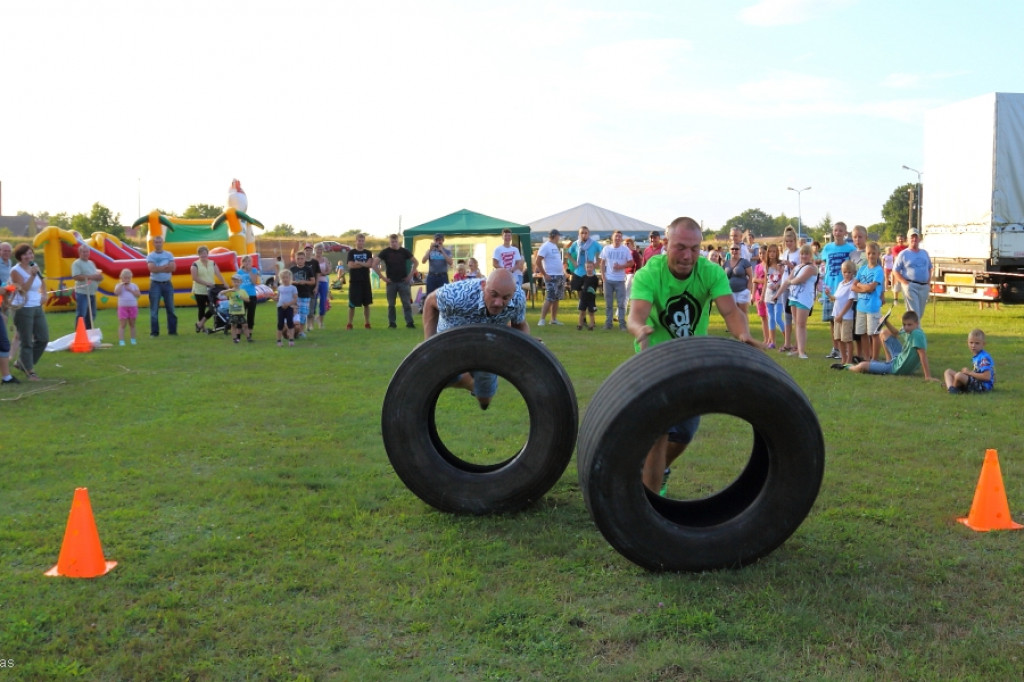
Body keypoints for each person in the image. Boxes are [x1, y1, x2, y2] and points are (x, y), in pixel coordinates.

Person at [628, 217, 760, 494]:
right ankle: (647, 508)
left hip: (691, 363)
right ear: (666, 245)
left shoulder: (711, 272)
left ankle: (658, 469)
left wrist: (742, 335)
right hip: (655, 361)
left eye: (694, 248)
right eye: (680, 247)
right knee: (659, 434)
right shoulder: (648, 274)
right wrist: (640, 329)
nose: (688, 256)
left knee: (685, 433)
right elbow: (636, 315)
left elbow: (730, 312)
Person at [421, 269, 529, 410]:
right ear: (484, 285)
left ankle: (475, 385)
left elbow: (519, 324)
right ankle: (465, 380)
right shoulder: (458, 295)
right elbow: (430, 301)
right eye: (494, 294)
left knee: (485, 398)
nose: (498, 303)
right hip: (450, 343)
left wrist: (529, 348)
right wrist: (429, 345)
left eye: (505, 298)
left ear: (512, 294)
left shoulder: (518, 299)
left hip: (486, 346)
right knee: (441, 377)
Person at [845, 310, 937, 381]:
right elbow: (896, 333)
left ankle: (847, 366)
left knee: (862, 366)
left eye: (909, 325)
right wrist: (886, 322)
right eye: (904, 325)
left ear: (917, 324)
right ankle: (888, 360)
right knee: (884, 332)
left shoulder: (917, 334)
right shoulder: (912, 331)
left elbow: (922, 355)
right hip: (898, 358)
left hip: (896, 368)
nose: (906, 327)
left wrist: (927, 376)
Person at [9, 244, 49, 380]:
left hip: (37, 306)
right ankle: (30, 370)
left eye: (30, 253)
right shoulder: (15, 271)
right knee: (26, 341)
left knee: (43, 338)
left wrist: (44, 294)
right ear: (19, 257)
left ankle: (22, 363)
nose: (29, 256)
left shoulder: (34, 265)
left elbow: (42, 280)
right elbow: (23, 289)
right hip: (23, 308)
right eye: (25, 254)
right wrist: (31, 276)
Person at [820, 222, 855, 359]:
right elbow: (824, 265)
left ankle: (846, 350)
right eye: (835, 230)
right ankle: (836, 348)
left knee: (844, 319)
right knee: (832, 319)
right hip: (830, 287)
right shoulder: (827, 248)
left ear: (845, 233)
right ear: (832, 232)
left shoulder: (850, 248)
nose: (838, 233)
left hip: (845, 289)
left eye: (841, 231)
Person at [778, 244, 818, 359]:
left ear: (810, 255)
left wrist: (790, 282)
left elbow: (798, 280)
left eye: (806, 254)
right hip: (794, 297)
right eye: (802, 254)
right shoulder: (797, 267)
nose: (804, 256)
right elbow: (787, 280)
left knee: (801, 324)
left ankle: (801, 351)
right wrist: (777, 295)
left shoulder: (811, 268)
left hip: (804, 299)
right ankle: (797, 349)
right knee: (797, 324)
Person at [375, 234, 416, 329]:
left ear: (399, 241)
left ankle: (409, 322)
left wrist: (410, 275)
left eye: (395, 241)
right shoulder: (385, 252)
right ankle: (392, 323)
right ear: (389, 242)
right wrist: (382, 277)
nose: (394, 244)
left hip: (403, 281)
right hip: (391, 282)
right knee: (391, 304)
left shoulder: (404, 251)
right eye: (392, 242)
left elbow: (416, 262)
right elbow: (374, 264)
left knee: (406, 303)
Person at [853, 242, 885, 361]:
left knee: (874, 334)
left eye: (873, 253)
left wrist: (861, 286)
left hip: (872, 307)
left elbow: (872, 288)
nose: (871, 256)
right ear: (865, 254)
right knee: (863, 333)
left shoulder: (878, 270)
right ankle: (866, 357)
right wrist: (864, 286)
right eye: (868, 253)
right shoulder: (862, 269)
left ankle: (874, 359)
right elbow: (853, 286)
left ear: (878, 254)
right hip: (861, 306)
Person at [892, 228, 932, 319]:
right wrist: (905, 283)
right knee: (914, 313)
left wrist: (928, 283)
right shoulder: (903, 254)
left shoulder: (924, 253)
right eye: (912, 237)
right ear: (908, 239)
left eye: (916, 237)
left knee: (919, 314)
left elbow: (929, 268)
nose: (914, 239)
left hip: (923, 287)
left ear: (919, 239)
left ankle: (907, 330)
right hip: (911, 286)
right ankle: (916, 332)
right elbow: (895, 270)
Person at [824, 260, 857, 366]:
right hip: (836, 314)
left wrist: (841, 315)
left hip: (846, 316)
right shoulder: (841, 284)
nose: (846, 274)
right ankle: (843, 358)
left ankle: (849, 360)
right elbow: (836, 298)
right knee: (838, 338)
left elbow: (850, 301)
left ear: (853, 272)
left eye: (849, 272)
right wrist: (829, 295)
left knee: (847, 339)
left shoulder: (853, 284)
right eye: (844, 272)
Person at [944, 329, 995, 395]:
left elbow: (986, 377)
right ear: (967, 343)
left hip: (983, 386)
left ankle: (953, 389)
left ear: (983, 344)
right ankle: (952, 388)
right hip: (976, 381)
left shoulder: (984, 358)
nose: (973, 345)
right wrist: (968, 373)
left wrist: (969, 373)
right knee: (948, 371)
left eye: (977, 343)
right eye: (971, 342)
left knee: (959, 375)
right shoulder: (977, 356)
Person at [191, 245, 227, 333]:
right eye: (201, 254)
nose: (203, 255)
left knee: (213, 307)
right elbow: (194, 278)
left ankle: (200, 323)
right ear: (199, 255)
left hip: (211, 290)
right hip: (199, 290)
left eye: (205, 253)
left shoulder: (212, 263)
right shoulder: (195, 264)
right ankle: (202, 327)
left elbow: (218, 274)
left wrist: (225, 283)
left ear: (207, 254)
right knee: (201, 308)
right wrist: (206, 283)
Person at [147, 235, 177, 337]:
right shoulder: (150, 256)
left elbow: (173, 268)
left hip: (167, 283)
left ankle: (172, 331)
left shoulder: (169, 254)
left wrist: (158, 268)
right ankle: (154, 332)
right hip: (155, 284)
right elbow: (152, 269)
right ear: (153, 243)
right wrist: (164, 267)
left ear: (162, 243)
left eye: (160, 242)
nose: (158, 244)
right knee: (154, 309)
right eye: (156, 242)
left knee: (171, 308)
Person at [600, 230, 631, 330]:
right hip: (608, 280)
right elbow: (602, 263)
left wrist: (621, 266)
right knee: (608, 304)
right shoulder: (606, 249)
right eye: (616, 236)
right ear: (612, 238)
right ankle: (608, 323)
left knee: (621, 303)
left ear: (621, 239)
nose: (617, 238)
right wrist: (603, 276)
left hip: (620, 280)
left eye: (619, 237)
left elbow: (631, 262)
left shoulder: (625, 250)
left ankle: (622, 324)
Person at [535, 229, 565, 326]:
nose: (559, 238)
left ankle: (553, 319)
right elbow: (538, 261)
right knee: (550, 298)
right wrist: (544, 274)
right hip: (551, 275)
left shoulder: (554, 246)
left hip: (559, 275)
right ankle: (542, 319)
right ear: (554, 236)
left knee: (556, 298)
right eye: (558, 236)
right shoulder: (545, 246)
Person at [346, 233, 376, 330]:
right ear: (356, 241)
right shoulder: (351, 253)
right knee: (352, 304)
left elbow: (369, 265)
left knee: (366, 304)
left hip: (365, 281)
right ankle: (349, 323)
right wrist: (363, 264)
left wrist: (358, 263)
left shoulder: (368, 252)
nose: (361, 242)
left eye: (362, 241)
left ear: (364, 242)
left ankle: (367, 323)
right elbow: (350, 265)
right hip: (354, 281)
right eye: (359, 240)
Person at [71, 244, 103, 329]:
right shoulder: (77, 263)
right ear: (79, 253)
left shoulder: (91, 263)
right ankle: (79, 334)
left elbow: (96, 275)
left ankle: (88, 334)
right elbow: (76, 276)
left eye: (87, 252)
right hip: (82, 293)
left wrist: (99, 277)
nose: (85, 253)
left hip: (92, 293)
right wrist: (92, 277)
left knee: (92, 315)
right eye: (83, 252)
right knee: (82, 314)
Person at [762, 243, 785, 350]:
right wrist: (762, 296)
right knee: (770, 318)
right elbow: (765, 282)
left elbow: (783, 280)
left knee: (777, 318)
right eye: (770, 251)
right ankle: (772, 341)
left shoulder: (780, 265)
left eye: (774, 252)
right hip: (768, 295)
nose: (772, 254)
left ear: (777, 253)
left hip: (778, 295)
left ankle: (787, 340)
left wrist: (778, 285)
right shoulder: (766, 265)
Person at [567, 226, 602, 294]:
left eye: (586, 233)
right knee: (580, 294)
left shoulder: (594, 243)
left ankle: (588, 304)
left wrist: (597, 263)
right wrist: (573, 262)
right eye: (582, 233)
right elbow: (568, 253)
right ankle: (581, 304)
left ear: (589, 234)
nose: (584, 235)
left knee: (589, 294)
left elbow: (603, 252)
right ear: (579, 234)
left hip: (590, 273)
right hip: (578, 272)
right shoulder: (576, 244)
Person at [289, 250, 316, 336]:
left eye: (302, 259)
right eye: (298, 258)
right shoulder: (292, 269)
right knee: (294, 313)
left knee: (303, 314)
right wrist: (295, 282)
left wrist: (304, 282)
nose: (300, 260)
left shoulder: (308, 269)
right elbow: (288, 281)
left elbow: (313, 281)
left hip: (305, 294)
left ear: (305, 259)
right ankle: (293, 331)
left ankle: (301, 331)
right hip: (294, 295)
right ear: (295, 259)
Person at [114, 268, 141, 346]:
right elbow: (116, 293)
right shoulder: (119, 285)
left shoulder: (134, 286)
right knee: (123, 324)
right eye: (125, 278)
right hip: (122, 307)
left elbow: (138, 295)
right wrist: (121, 285)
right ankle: (121, 341)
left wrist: (130, 290)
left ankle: (133, 339)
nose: (127, 279)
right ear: (121, 278)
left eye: (128, 278)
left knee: (132, 324)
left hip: (133, 306)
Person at [724, 244, 753, 313]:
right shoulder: (726, 263)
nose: (734, 251)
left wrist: (748, 291)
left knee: (743, 312)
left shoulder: (744, 262)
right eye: (732, 249)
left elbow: (751, 276)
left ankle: (744, 324)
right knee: (733, 313)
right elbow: (722, 278)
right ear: (729, 251)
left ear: (740, 251)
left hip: (742, 291)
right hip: (730, 292)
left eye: (736, 249)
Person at [223, 274, 251, 343]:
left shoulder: (242, 291)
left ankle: (248, 338)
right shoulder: (230, 291)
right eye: (234, 282)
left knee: (245, 325)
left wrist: (242, 298)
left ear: (240, 283)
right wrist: (229, 290)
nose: (236, 283)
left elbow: (248, 300)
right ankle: (234, 339)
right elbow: (222, 294)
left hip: (240, 312)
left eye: (238, 282)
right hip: (233, 312)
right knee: (233, 326)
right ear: (232, 282)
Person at [237, 255, 261, 333]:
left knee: (251, 314)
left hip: (251, 295)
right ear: (242, 263)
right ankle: (240, 329)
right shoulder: (239, 272)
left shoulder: (254, 270)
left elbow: (254, 282)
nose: (247, 263)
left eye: (249, 261)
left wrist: (250, 271)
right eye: (246, 261)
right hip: (242, 295)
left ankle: (250, 329)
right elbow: (237, 283)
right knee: (241, 313)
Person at [275, 269, 298, 347]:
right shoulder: (280, 288)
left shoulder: (293, 288)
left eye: (286, 277)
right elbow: (278, 297)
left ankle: (291, 339)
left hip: (289, 307)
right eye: (283, 278)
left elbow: (295, 299)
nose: (285, 279)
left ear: (290, 278)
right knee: (280, 324)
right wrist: (275, 298)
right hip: (280, 307)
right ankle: (279, 340)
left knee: (290, 323)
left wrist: (288, 304)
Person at [311, 243, 331, 329]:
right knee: (313, 303)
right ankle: (311, 324)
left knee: (323, 302)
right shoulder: (312, 260)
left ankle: (321, 323)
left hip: (323, 282)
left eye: (320, 249)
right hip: (314, 283)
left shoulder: (325, 259)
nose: (319, 251)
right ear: (314, 250)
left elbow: (328, 270)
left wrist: (322, 273)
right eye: (317, 249)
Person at [576, 260, 600, 331]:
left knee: (591, 312)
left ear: (593, 268)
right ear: (585, 268)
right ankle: (580, 324)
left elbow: (596, 286)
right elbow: (580, 286)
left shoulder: (595, 278)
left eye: (590, 267)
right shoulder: (583, 277)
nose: (589, 269)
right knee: (582, 312)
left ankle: (591, 325)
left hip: (591, 298)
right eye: (587, 267)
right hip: (583, 298)